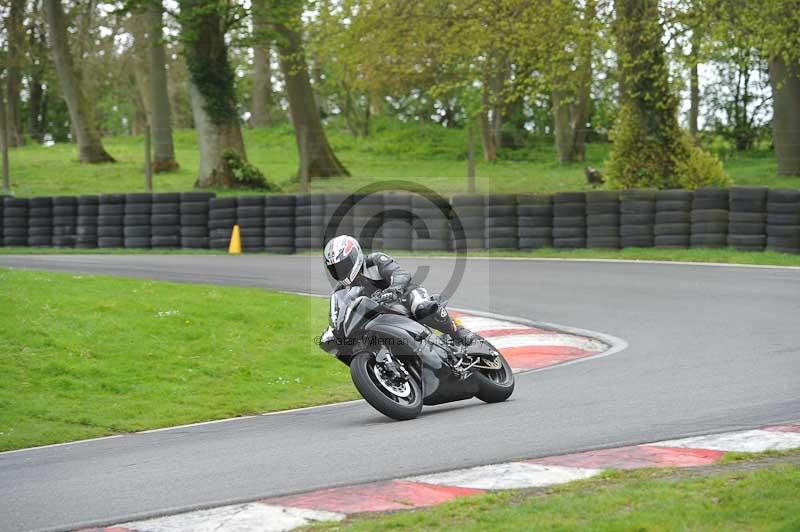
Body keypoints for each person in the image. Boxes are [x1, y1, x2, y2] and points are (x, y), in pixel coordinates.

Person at [323, 234, 475, 345]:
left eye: (342, 266)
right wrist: (333, 330)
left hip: (405, 295)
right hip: (379, 314)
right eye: (335, 269)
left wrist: (394, 289)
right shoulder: (340, 291)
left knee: (421, 308)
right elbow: (336, 315)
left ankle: (457, 332)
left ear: (354, 255)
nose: (340, 271)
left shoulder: (375, 261)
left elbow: (400, 274)